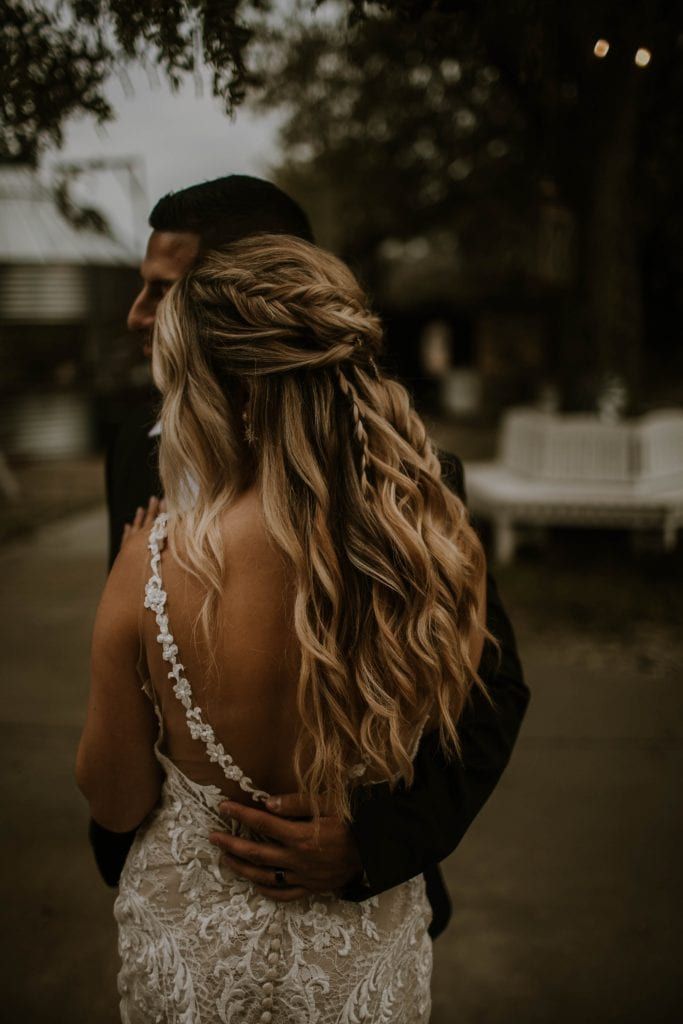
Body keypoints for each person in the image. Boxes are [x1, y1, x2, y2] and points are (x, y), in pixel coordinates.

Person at [96, 174, 529, 943]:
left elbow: (488, 691)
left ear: (245, 298)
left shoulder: (412, 487)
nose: (136, 317)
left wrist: (375, 839)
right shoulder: (134, 451)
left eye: (163, 294)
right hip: (183, 905)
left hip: (352, 910)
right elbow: (129, 680)